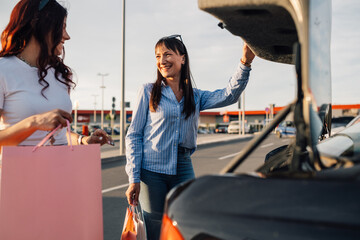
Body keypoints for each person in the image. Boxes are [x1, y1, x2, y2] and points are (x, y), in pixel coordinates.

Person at [125, 34, 255, 239]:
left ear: (182, 58)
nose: (162, 60)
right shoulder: (148, 91)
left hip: (183, 167)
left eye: (167, 54)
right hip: (151, 171)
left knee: (185, 222)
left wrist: (245, 63)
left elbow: (229, 94)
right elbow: (133, 135)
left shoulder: (195, 96)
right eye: (157, 56)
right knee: (156, 227)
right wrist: (133, 178)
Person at [0, 0, 112, 149]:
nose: (67, 36)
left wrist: (83, 140)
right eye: (62, 27)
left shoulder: (60, 74)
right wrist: (33, 123)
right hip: (21, 170)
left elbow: (58, 134)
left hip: (60, 169)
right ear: (38, 24)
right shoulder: (4, 70)